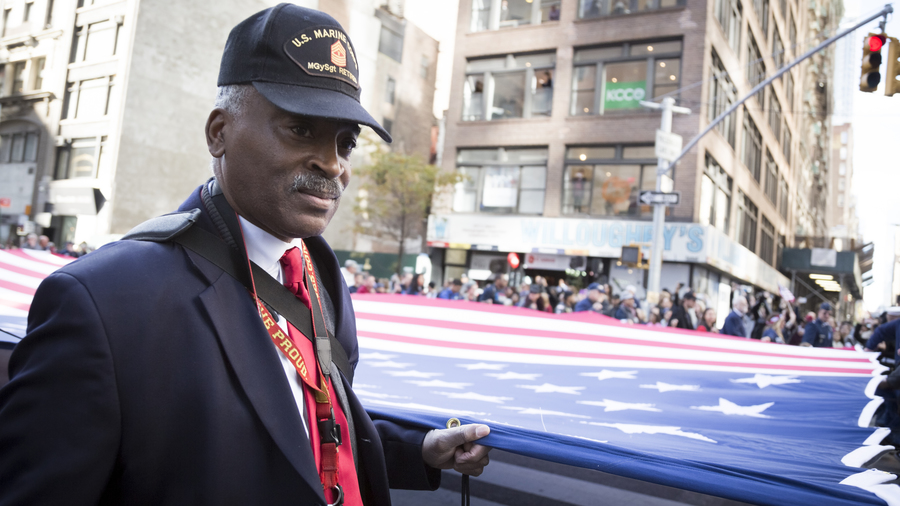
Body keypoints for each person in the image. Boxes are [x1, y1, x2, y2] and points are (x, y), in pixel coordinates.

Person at [0, 6, 490, 506]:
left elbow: (311, 432)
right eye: (301, 129)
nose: (333, 164)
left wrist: (421, 451)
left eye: (345, 142)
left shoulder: (321, 274)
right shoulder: (101, 303)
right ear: (219, 132)